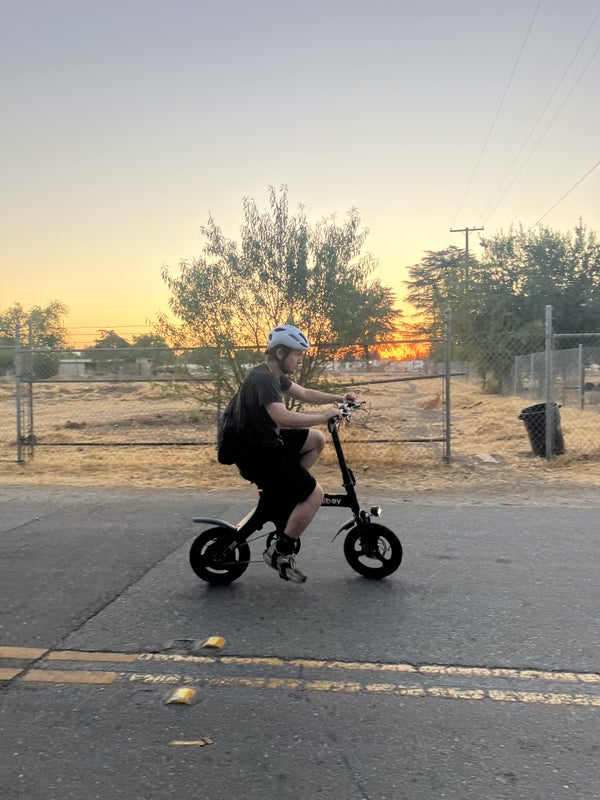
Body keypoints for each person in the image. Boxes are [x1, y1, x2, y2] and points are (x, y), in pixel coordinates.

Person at [233, 325, 357, 583]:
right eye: (297, 354)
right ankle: (280, 551)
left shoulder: (273, 374)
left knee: (316, 439)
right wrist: (323, 416)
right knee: (315, 495)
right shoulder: (264, 379)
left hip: (264, 442)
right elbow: (281, 417)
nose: (300, 360)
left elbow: (305, 393)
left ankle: (287, 493)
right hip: (257, 453)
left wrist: (340, 398)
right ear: (280, 353)